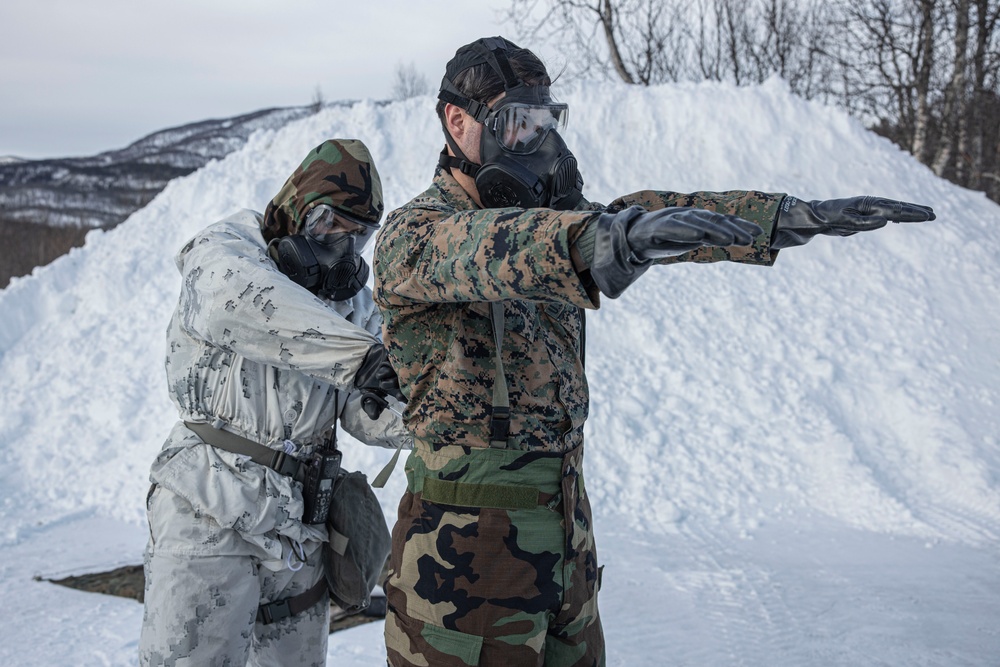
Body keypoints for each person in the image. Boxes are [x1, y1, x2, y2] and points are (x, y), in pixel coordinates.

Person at [372, 36, 935, 667]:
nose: (535, 141)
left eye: (544, 121)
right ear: (458, 122)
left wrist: (781, 218)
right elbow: (497, 248)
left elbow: (639, 218)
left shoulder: (556, 221)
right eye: (516, 123)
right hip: (462, 567)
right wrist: (606, 238)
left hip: (563, 544)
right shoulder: (415, 235)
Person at [138, 138, 411, 667]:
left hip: (303, 525)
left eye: (359, 234)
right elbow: (251, 305)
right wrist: (363, 356)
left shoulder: (348, 304)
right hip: (210, 506)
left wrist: (437, 413)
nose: (344, 246)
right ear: (295, 211)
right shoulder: (224, 255)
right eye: (332, 225)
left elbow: (364, 403)